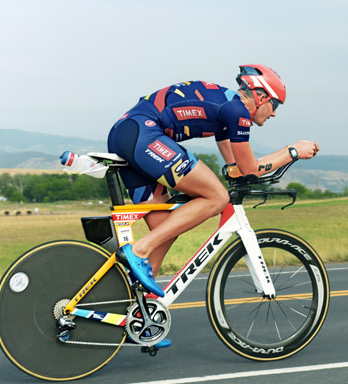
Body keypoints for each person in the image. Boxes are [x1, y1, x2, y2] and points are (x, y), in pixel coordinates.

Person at [108, 64, 319, 303]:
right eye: (276, 105)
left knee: (165, 231)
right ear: (261, 97)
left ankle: (138, 309)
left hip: (128, 133)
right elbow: (250, 169)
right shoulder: (237, 111)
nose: (274, 114)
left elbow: (238, 169)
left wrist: (247, 170)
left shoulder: (228, 109)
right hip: (143, 135)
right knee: (217, 197)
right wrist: (292, 152)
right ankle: (137, 251)